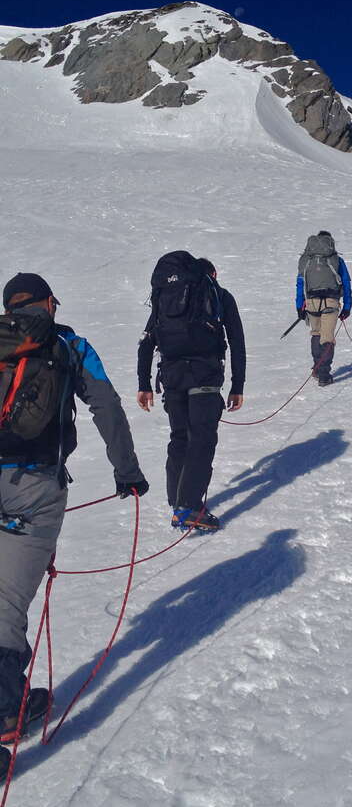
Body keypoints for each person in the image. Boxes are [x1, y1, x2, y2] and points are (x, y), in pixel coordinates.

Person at [0, 272, 147, 778]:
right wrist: (126, 470)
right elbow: (105, 404)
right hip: (35, 489)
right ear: (47, 304)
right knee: (7, 602)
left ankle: (8, 701)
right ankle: (4, 711)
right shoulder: (69, 344)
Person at [137, 252, 245, 532]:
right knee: (202, 439)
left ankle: (178, 502)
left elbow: (147, 341)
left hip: (172, 376)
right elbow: (237, 341)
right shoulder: (220, 295)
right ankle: (188, 508)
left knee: (180, 437)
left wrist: (144, 383)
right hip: (204, 375)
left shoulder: (167, 298)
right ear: (211, 275)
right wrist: (238, 386)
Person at [296, 230, 352, 387]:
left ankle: (317, 367)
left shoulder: (306, 260)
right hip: (331, 302)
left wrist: (298, 305)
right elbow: (346, 282)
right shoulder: (336, 260)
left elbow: (300, 283)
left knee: (316, 333)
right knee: (327, 337)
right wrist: (347, 306)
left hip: (311, 302)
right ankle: (324, 374)